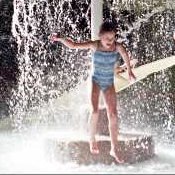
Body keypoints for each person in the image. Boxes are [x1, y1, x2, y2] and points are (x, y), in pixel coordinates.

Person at [50, 21, 136, 163]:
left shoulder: (117, 46)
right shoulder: (94, 45)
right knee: (95, 111)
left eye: (113, 38)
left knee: (113, 114)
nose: (110, 41)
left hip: (108, 82)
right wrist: (60, 39)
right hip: (95, 80)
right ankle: (92, 139)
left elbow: (125, 55)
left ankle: (114, 148)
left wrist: (130, 72)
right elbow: (73, 45)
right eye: (107, 38)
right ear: (100, 36)